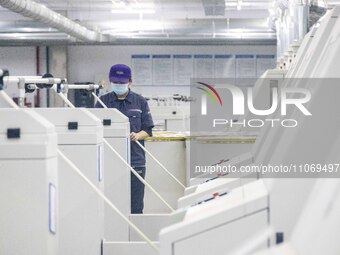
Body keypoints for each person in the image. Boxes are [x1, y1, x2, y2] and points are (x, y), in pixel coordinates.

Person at [95, 64, 154, 214]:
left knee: (135, 205)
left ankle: (135, 235)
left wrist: (137, 136)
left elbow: (148, 130)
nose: (118, 85)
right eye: (115, 82)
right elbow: (94, 130)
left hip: (135, 160)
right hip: (109, 160)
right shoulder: (102, 102)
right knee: (110, 203)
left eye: (122, 82)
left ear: (130, 82)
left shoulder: (140, 102)